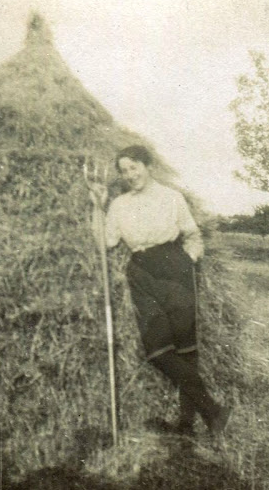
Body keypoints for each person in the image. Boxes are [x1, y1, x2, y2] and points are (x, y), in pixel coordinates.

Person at [90, 145, 230, 437]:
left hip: (174, 269)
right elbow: (105, 243)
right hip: (141, 272)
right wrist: (98, 206)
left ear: (148, 165)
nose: (130, 174)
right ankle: (213, 410)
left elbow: (192, 234)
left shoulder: (171, 197)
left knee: (185, 349)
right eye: (124, 170)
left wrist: (188, 260)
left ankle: (187, 422)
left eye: (134, 166)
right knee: (157, 351)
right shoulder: (119, 205)